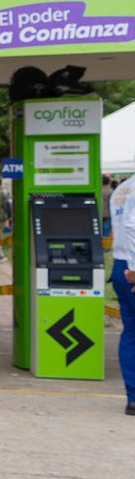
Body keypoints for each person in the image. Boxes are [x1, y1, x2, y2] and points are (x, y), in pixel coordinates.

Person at [108, 172, 135, 416]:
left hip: (120, 263)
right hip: (131, 266)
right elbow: (132, 225)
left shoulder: (122, 189)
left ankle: (133, 397)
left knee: (131, 332)